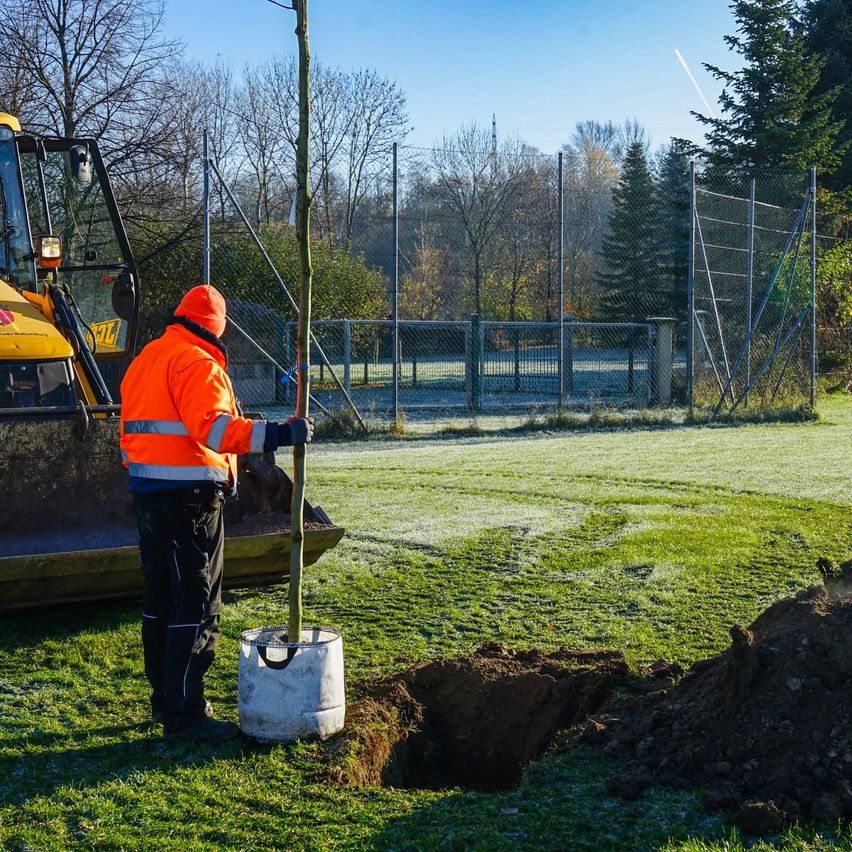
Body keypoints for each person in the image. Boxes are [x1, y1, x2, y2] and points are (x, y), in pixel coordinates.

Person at [120, 285, 313, 742]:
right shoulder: (198, 363)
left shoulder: (147, 358)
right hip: (190, 500)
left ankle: (166, 700)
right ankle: (186, 715)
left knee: (160, 600)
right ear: (215, 328)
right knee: (196, 602)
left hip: (149, 496)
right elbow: (216, 429)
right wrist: (282, 434)